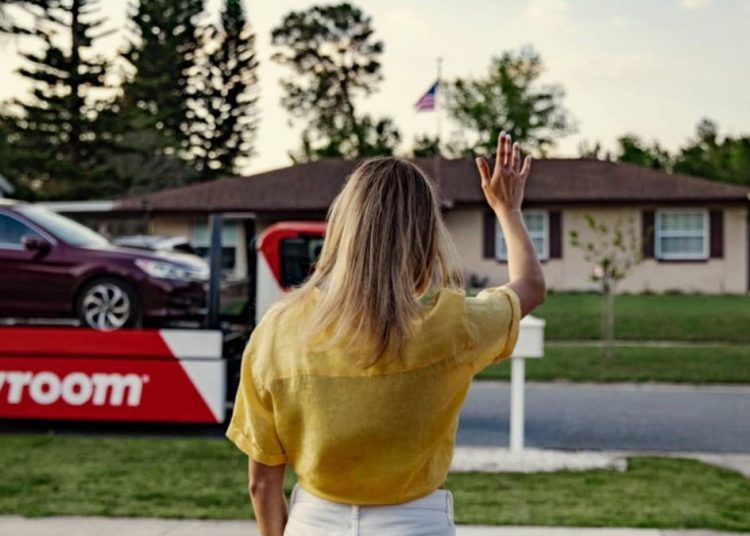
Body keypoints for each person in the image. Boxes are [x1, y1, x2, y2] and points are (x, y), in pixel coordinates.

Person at [226, 132, 546, 536]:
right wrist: (507, 210)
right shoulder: (453, 326)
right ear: (425, 240)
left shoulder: (278, 331)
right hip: (418, 525)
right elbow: (530, 286)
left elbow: (262, 483)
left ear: (342, 232)